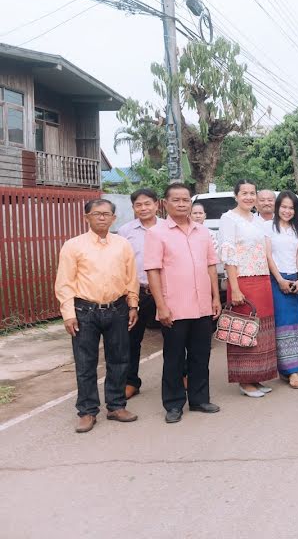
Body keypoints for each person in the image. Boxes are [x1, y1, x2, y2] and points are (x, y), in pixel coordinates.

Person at [54, 198, 139, 433]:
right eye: (96, 214)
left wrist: (133, 305)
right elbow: (64, 283)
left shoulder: (122, 244)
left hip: (117, 308)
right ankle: (88, 411)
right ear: (86, 218)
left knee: (120, 360)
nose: (102, 217)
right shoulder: (73, 245)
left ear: (113, 218)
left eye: (106, 214)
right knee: (85, 363)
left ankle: (116, 406)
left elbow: (131, 277)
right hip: (84, 311)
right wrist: (68, 313)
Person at [144, 183, 221, 423]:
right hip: (174, 307)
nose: (181, 204)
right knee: (174, 357)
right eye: (175, 200)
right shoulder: (156, 233)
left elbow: (211, 265)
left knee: (201, 354)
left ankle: (199, 399)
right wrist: (161, 306)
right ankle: (174, 403)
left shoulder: (202, 232)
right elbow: (153, 271)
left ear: (191, 203)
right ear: (164, 204)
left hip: (202, 306)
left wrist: (216, 297)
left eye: (185, 200)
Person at [219, 180, 279, 398]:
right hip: (242, 280)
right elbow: (229, 254)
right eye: (244, 193)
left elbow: (266, 252)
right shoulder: (229, 219)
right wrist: (234, 287)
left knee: (261, 329)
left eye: (252, 193)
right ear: (236, 196)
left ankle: (257, 375)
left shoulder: (257, 220)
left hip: (262, 279)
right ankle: (245, 380)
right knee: (244, 329)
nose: (248, 197)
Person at [116, 188, 160, 400]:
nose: (143, 208)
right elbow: (121, 264)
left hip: (165, 292)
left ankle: (181, 375)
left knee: (175, 338)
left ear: (157, 205)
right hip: (137, 292)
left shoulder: (168, 228)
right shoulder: (125, 231)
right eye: (138, 205)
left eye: (147, 204)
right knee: (132, 340)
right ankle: (131, 382)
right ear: (133, 208)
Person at [264, 191, 298, 389]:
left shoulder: (297, 229)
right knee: (281, 325)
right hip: (277, 280)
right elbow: (269, 256)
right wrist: (280, 279)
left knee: (295, 325)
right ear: (277, 207)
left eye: (291, 208)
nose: (287, 211)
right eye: (284, 207)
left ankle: (294, 368)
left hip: (295, 280)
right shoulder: (268, 228)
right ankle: (288, 370)